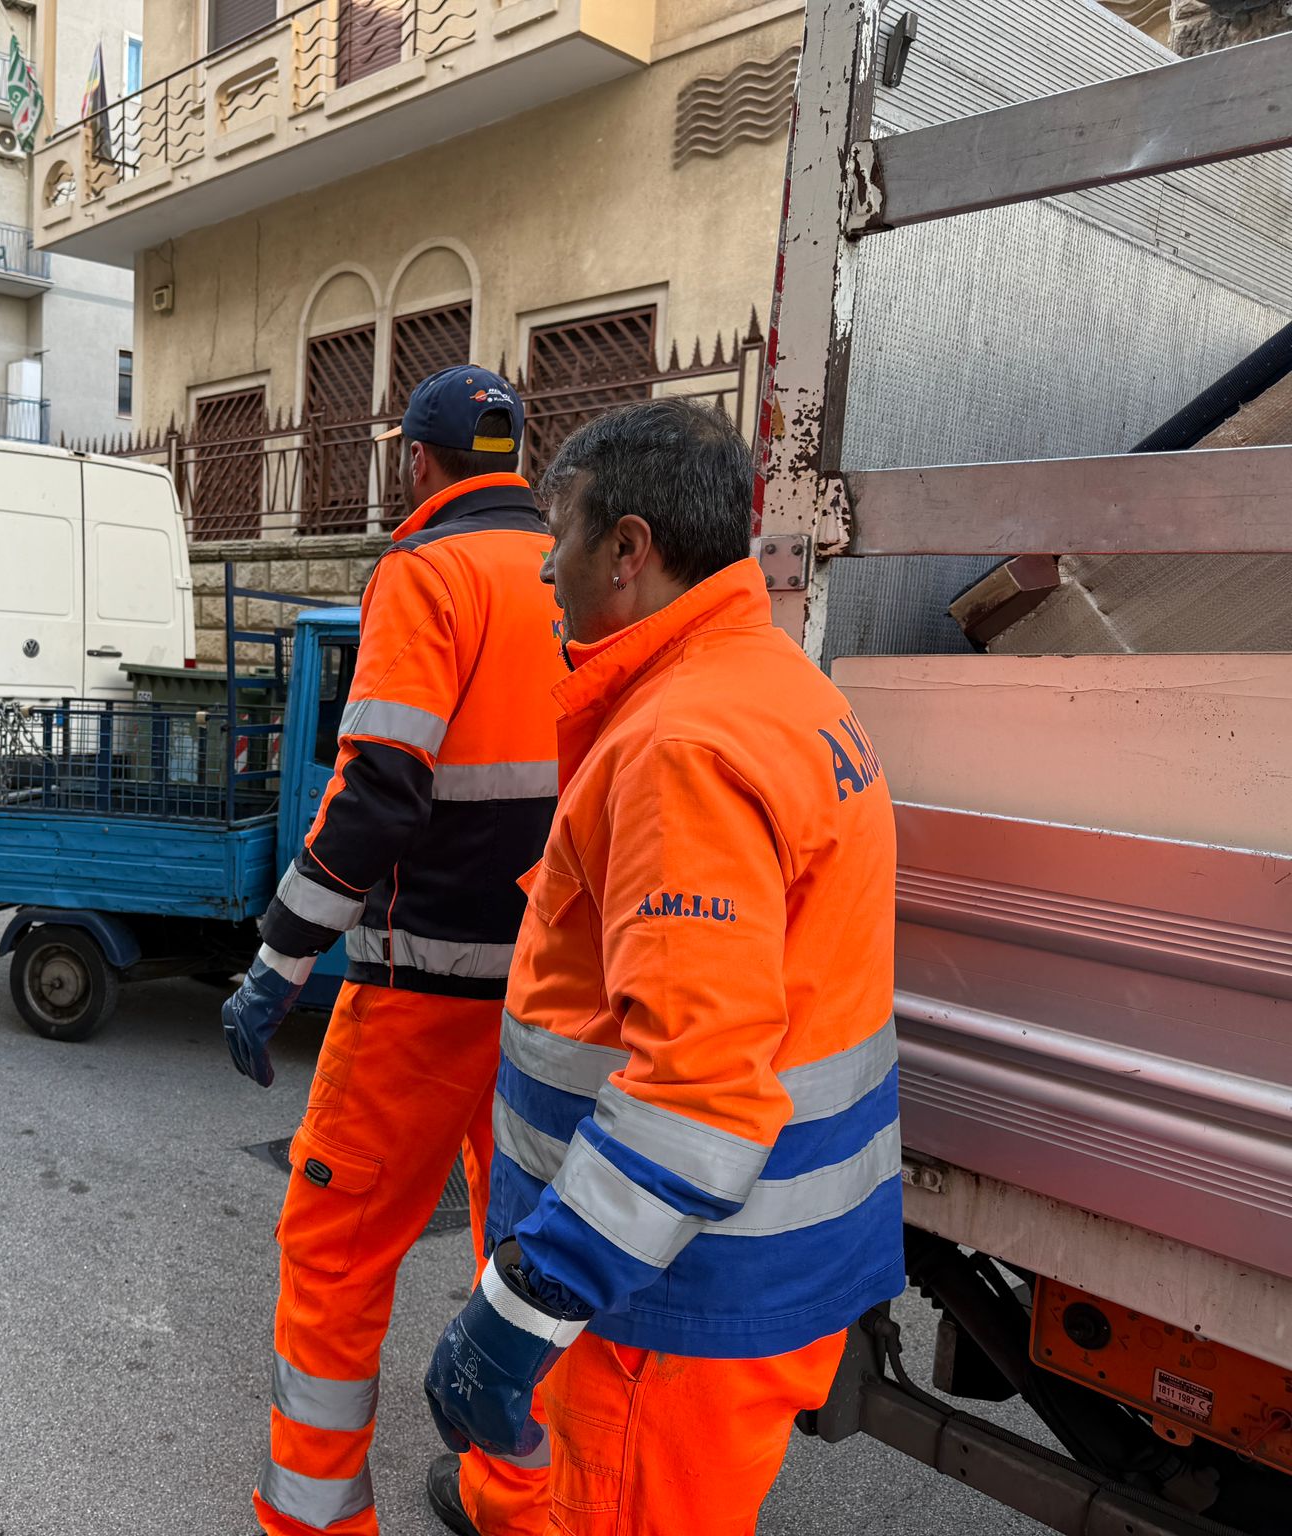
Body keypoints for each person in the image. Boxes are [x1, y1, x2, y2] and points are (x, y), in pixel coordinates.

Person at [422, 398, 904, 1535]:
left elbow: (694, 1094)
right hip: (744, 1271)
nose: (544, 568)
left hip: (666, 1300)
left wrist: (524, 1307)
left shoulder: (679, 747)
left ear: (628, 550)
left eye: (560, 534)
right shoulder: (780, 687)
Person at [221, 365, 567, 1536]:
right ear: (516, 460)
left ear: (417, 464)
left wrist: (277, 961)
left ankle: (316, 1520)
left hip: (422, 989)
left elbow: (375, 795)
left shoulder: (426, 575)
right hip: (549, 994)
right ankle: (511, 1501)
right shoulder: (577, 576)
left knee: (334, 1252)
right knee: (520, 1254)